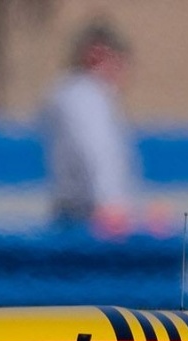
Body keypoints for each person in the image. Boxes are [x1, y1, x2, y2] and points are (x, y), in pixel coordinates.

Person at [39, 20, 142, 234]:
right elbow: (96, 150)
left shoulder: (77, 95)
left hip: (85, 213)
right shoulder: (85, 96)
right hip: (90, 217)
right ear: (98, 55)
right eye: (119, 63)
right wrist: (111, 203)